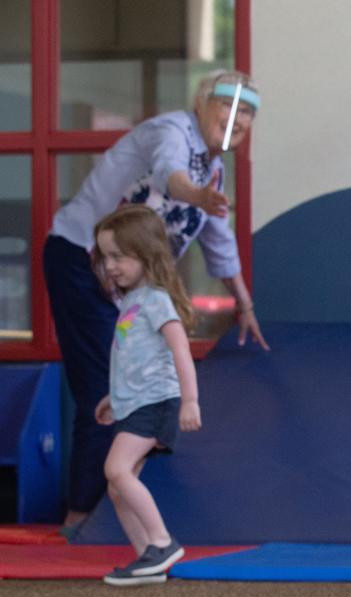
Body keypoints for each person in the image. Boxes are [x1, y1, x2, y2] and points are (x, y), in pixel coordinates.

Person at [44, 69, 268, 530]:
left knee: (136, 391)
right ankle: (80, 519)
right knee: (105, 390)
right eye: (229, 105)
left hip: (128, 288)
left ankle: (113, 512)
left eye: (247, 112)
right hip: (82, 260)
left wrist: (243, 305)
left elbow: (218, 240)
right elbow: (171, 177)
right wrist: (198, 196)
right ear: (203, 104)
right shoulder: (171, 131)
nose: (237, 118)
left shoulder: (214, 169)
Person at [90, 206, 201, 586]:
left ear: (145, 254)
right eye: (106, 257)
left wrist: (190, 400)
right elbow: (134, 360)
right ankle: (147, 558)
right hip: (135, 404)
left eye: (119, 256)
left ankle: (161, 542)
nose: (110, 266)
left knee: (116, 469)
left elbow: (179, 349)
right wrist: (113, 398)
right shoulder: (131, 302)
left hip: (157, 404)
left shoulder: (155, 300)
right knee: (117, 486)